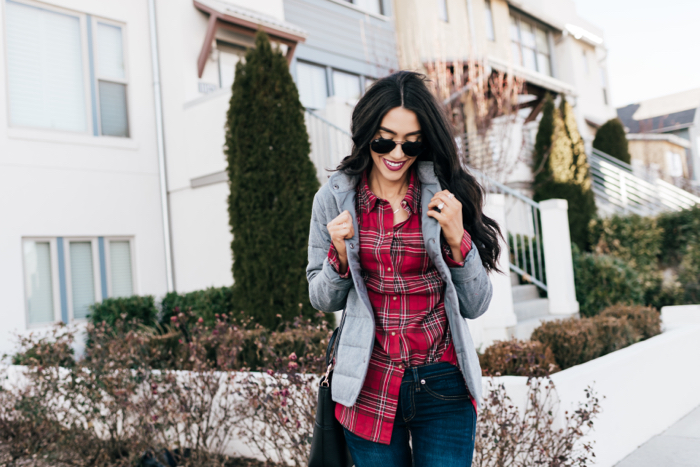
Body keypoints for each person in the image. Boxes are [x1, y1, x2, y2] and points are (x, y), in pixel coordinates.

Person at [306, 71, 503, 467]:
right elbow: (322, 299)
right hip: (369, 385)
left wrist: (457, 238)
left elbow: (476, 304)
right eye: (385, 140)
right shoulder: (334, 199)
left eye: (411, 143)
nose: (397, 153)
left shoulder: (446, 192)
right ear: (366, 135)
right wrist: (338, 255)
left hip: (443, 383)